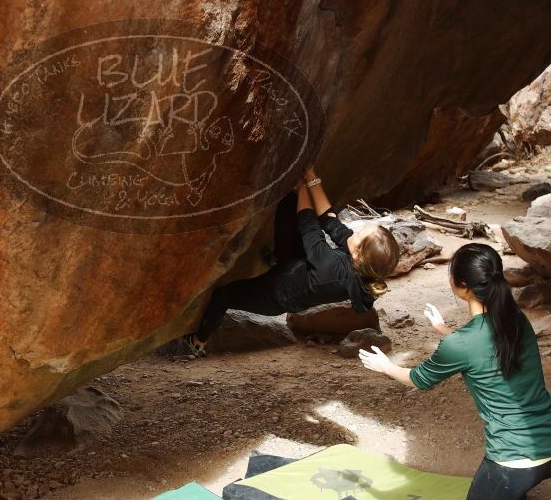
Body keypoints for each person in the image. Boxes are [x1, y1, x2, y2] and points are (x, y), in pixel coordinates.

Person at [359, 243, 551, 500]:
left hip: (513, 460)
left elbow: (417, 379)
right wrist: (443, 328)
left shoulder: (461, 344)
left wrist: (386, 366)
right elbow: (482, 347)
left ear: (463, 287)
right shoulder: (516, 318)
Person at [181, 166, 400, 356]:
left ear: (357, 255)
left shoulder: (332, 269)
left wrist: (303, 187)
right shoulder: (361, 263)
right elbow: (330, 221)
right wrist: (312, 177)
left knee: (223, 295)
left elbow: (309, 225)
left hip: (277, 293)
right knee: (289, 203)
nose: (357, 230)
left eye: (360, 233)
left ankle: (198, 343)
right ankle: (276, 257)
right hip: (298, 268)